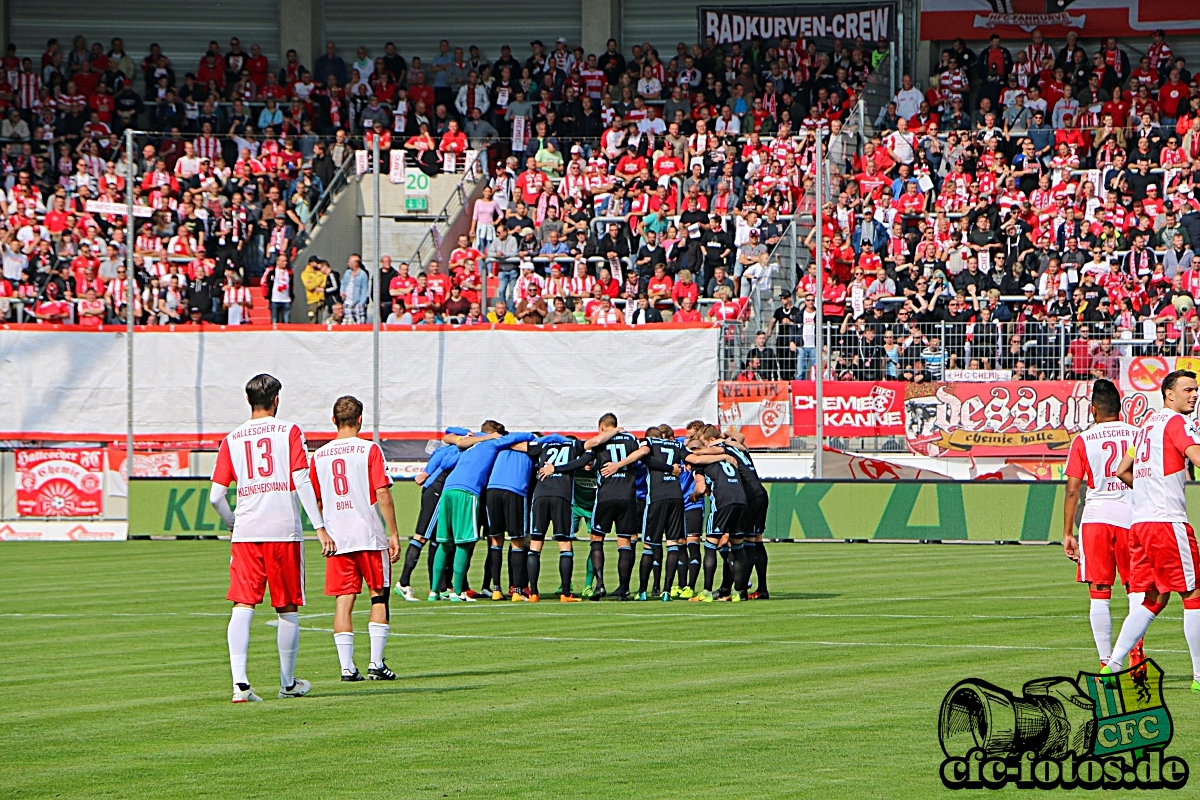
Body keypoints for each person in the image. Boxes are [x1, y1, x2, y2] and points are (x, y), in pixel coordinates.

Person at [209, 374, 328, 703]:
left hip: (247, 532)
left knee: (243, 604)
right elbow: (301, 480)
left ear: (249, 401)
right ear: (276, 399)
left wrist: (233, 522)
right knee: (286, 607)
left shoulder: (232, 438)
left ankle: (240, 685)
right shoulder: (289, 430)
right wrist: (318, 526)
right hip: (282, 531)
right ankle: (287, 683)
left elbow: (216, 496)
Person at [1109, 370, 1200, 688]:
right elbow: (1197, 457)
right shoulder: (1177, 423)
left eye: (1196, 389)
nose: (1194, 395)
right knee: (1193, 595)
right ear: (1168, 394)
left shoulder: (1146, 425)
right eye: (1187, 389)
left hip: (1141, 525)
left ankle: (1114, 663)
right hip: (1167, 522)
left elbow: (1122, 470)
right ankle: (1199, 676)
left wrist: (1148, 488)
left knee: (1155, 597)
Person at [309, 396, 400, 682]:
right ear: (360, 419)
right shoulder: (369, 450)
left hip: (337, 539)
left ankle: (347, 667)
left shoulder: (319, 455)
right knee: (379, 597)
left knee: (343, 600)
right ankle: (375, 663)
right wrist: (394, 533)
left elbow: (316, 500)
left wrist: (323, 529)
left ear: (333, 420)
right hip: (369, 536)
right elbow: (382, 493)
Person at [1062, 379, 1141, 669]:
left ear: (1093, 409)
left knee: (1099, 593)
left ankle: (1107, 661)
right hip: (1133, 518)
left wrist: (1067, 532)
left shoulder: (1083, 439)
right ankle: (1135, 653)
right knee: (1137, 590)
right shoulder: (1138, 434)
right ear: (1120, 409)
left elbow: (1073, 489)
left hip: (1096, 519)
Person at [433, 424, 535, 601]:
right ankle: (458, 592)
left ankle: (434, 592)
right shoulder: (494, 443)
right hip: (467, 491)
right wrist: (535, 438)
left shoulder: (473, 443)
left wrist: (468, 435)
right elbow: (525, 435)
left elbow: (449, 437)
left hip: (447, 489)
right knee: (463, 542)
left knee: (444, 543)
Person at [394, 428, 470, 601]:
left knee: (437, 540)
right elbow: (445, 463)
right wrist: (427, 472)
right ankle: (403, 583)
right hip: (437, 491)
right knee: (421, 537)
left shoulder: (449, 448)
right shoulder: (458, 450)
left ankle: (437, 588)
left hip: (435, 490)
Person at [581, 414, 643, 600]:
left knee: (596, 538)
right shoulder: (631, 438)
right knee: (624, 542)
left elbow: (589, 452)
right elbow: (641, 453)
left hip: (606, 496)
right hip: (628, 496)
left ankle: (599, 585)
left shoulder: (600, 440)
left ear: (601, 426)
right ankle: (623, 590)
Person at [684, 424, 745, 603]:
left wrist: (693, 496)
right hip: (741, 499)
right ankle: (739, 592)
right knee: (738, 546)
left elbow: (701, 488)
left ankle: (707, 592)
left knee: (710, 545)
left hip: (723, 501)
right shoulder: (726, 458)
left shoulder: (700, 465)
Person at [527, 435, 591, 601]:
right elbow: (588, 456)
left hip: (540, 496)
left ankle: (533, 593)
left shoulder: (543, 446)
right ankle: (565, 593)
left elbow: (519, 446)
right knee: (564, 544)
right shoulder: (573, 447)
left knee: (535, 543)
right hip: (561, 496)